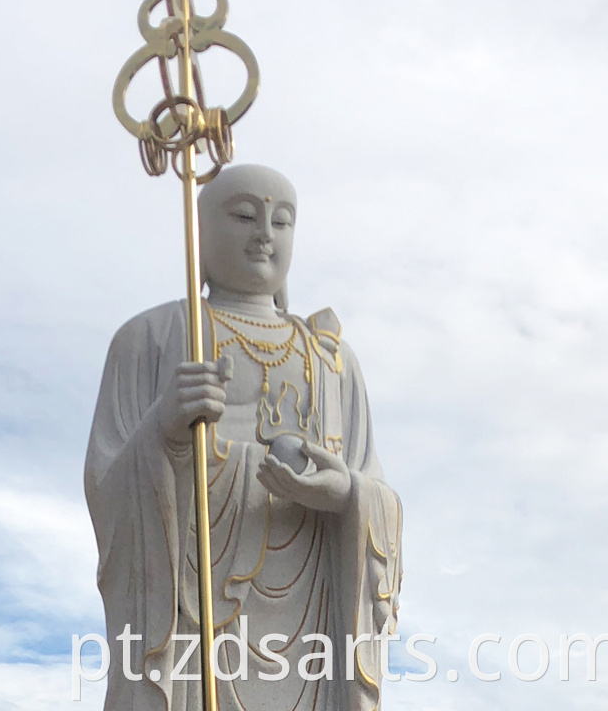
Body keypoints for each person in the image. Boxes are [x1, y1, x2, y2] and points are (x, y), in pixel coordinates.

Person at [85, 164, 402, 710]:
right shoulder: (152, 338)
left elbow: (375, 487)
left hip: (311, 610)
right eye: (243, 216)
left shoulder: (333, 361)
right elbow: (106, 486)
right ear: (201, 234)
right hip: (190, 605)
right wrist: (165, 430)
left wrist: (348, 495)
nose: (264, 235)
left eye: (282, 222)